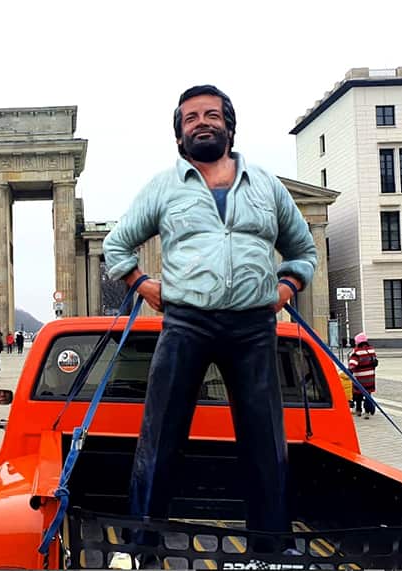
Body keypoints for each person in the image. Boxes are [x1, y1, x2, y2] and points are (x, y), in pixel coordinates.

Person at [103, 84, 317, 543]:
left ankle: (270, 547)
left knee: (265, 442)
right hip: (186, 323)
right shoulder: (163, 187)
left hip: (253, 327)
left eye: (211, 115)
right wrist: (142, 284)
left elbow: (302, 250)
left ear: (229, 125)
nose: (202, 123)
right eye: (191, 118)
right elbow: (116, 245)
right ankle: (143, 543)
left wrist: (284, 288)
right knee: (160, 438)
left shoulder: (266, 185)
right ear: (180, 135)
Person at [347, 332, 377, 418]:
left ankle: (358, 410)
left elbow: (353, 362)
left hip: (360, 377)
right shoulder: (371, 349)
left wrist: (350, 370)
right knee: (368, 394)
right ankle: (367, 412)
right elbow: (375, 360)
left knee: (358, 394)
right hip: (370, 377)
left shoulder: (357, 351)